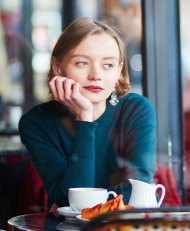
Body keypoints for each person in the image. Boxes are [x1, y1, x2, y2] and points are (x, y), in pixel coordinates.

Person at [18, 17, 157, 210]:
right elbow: (67, 201)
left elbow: (138, 191)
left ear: (119, 71)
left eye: (108, 65)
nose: (96, 75)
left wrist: (80, 205)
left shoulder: (136, 110)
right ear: (57, 67)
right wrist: (84, 117)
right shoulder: (36, 121)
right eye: (82, 63)